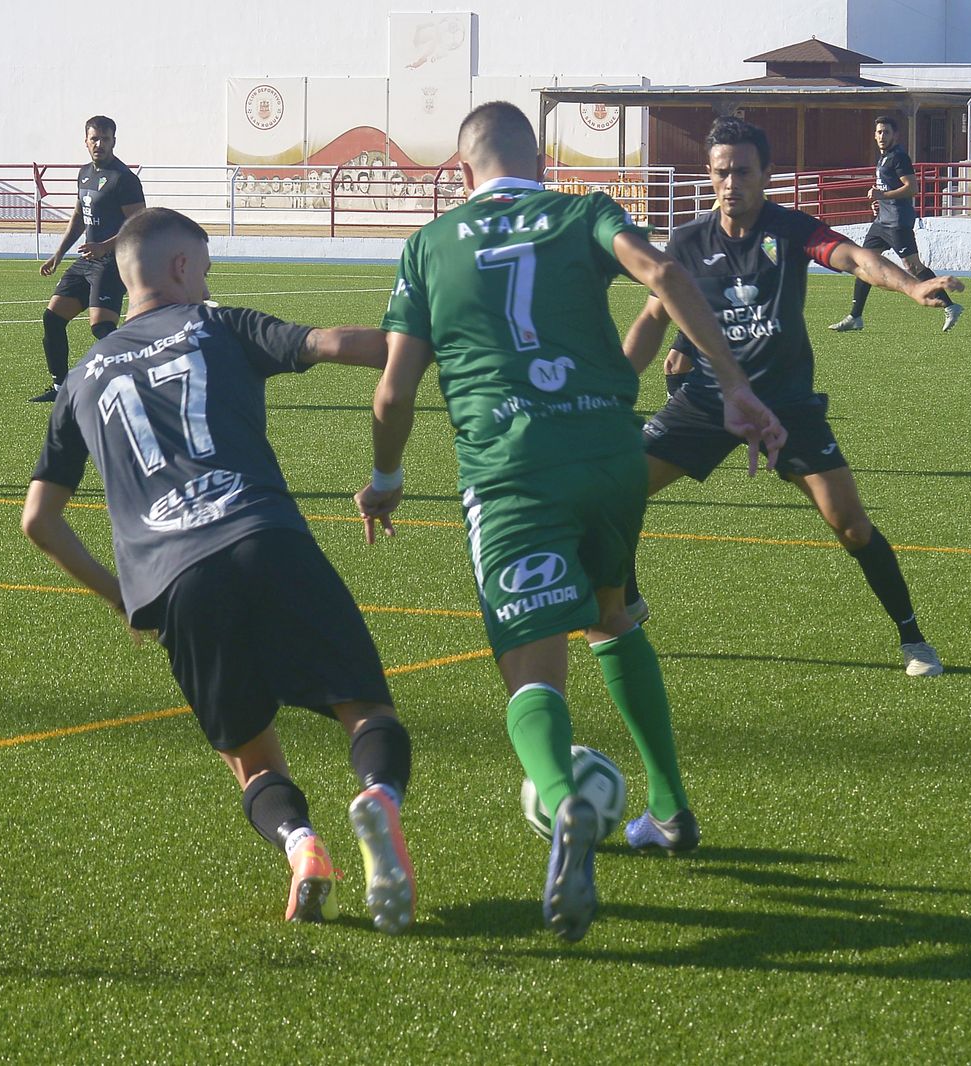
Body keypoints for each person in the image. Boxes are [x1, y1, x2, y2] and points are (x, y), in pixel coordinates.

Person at [355, 102, 786, 943]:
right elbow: (664, 277)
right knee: (611, 613)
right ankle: (668, 808)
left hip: (515, 472)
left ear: (461, 170)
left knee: (533, 671)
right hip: (613, 455)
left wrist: (385, 477)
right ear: (539, 160)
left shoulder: (429, 244)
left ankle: (564, 808)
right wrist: (735, 386)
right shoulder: (583, 207)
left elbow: (394, 391)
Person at [23, 207, 417, 933]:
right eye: (204, 267)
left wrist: (124, 599)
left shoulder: (79, 380)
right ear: (180, 269)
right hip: (263, 536)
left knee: (253, 758)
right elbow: (331, 344)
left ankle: (303, 849)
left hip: (174, 583)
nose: (208, 280)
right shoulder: (215, 323)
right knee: (364, 707)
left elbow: (38, 522)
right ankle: (379, 800)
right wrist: (424, 350)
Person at [622, 116, 962, 678]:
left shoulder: (793, 229)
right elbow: (656, 315)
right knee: (617, 491)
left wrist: (910, 284)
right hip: (708, 400)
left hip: (786, 401)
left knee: (850, 525)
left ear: (767, 174)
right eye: (722, 172)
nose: (732, 183)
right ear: (709, 175)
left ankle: (913, 640)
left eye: (744, 172)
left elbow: (855, 258)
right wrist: (613, 381)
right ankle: (628, 606)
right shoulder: (684, 242)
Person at [33, 115, 146, 402]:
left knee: (101, 327)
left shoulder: (124, 179)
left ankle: (139, 378)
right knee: (52, 318)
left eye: (105, 139)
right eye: (94, 139)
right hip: (87, 260)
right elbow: (79, 218)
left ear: (114, 141)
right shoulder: (84, 174)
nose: (99, 144)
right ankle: (60, 388)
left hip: (113, 262)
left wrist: (105, 247)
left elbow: (139, 226)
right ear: (85, 141)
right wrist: (58, 254)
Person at [829, 115, 963, 333]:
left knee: (913, 267)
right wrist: (879, 203)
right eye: (879, 132)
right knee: (864, 264)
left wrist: (882, 195)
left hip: (898, 223)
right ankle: (855, 317)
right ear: (874, 135)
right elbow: (887, 190)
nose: (882, 136)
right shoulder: (883, 158)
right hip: (882, 222)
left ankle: (950, 306)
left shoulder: (899, 157)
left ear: (895, 135)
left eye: (887, 132)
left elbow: (912, 188)